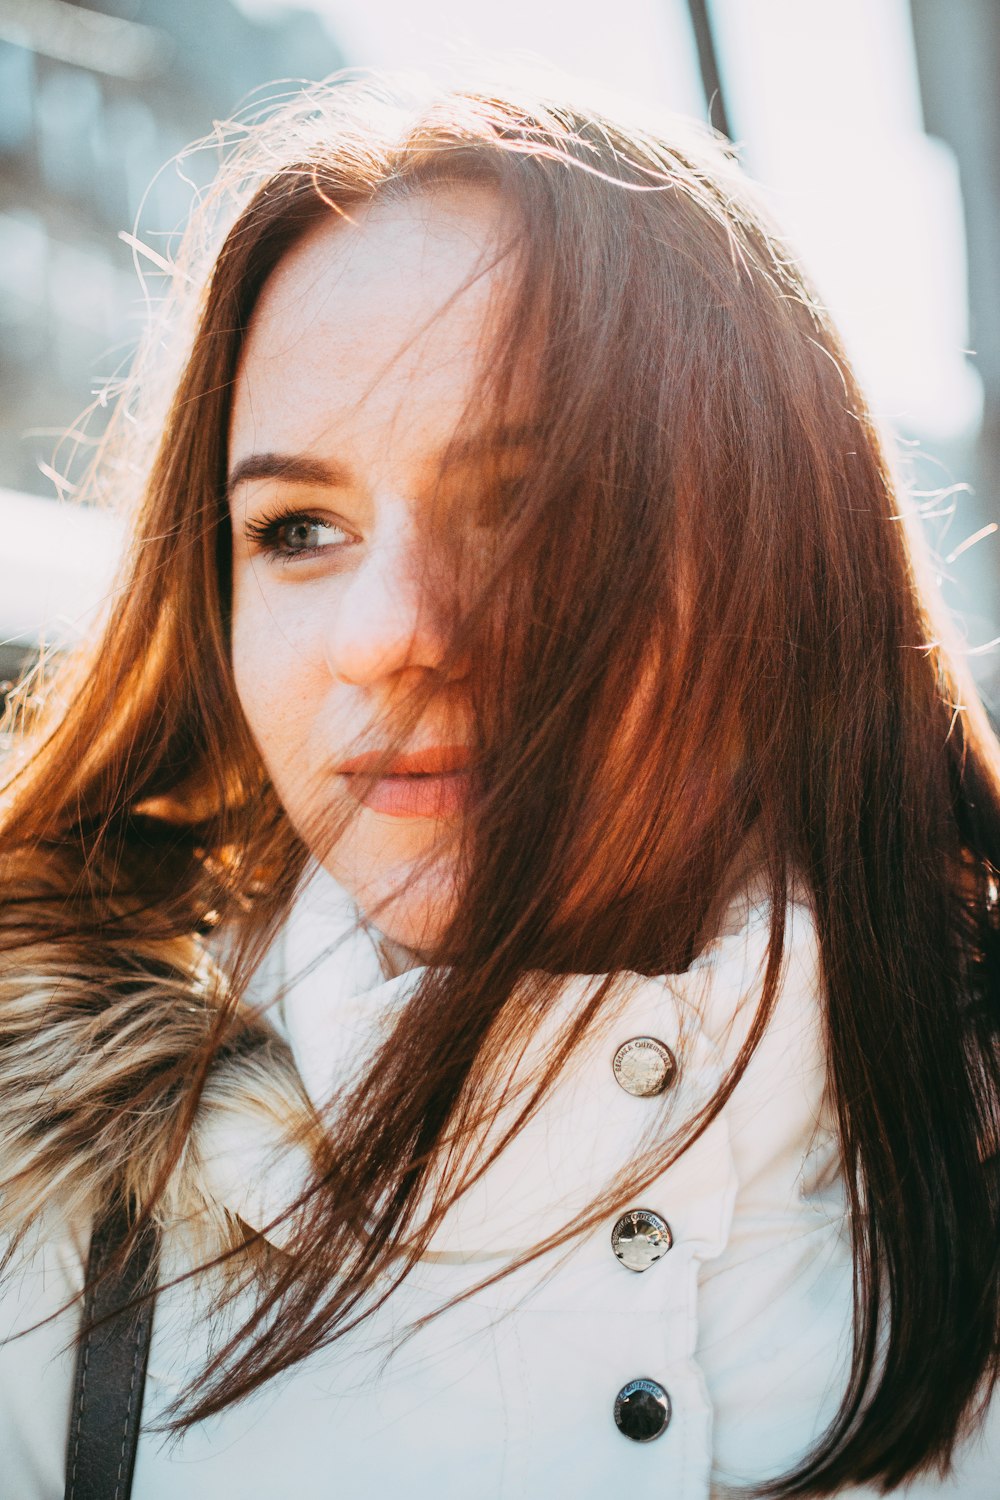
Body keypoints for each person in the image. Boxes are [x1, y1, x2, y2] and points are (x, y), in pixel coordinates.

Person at [0, 72, 998, 1499]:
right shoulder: (46, 1225)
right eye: (295, 528)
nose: (388, 630)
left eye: (530, 508)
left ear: (783, 543)